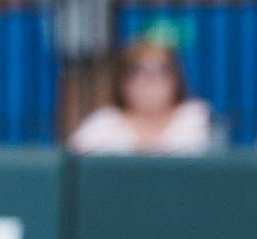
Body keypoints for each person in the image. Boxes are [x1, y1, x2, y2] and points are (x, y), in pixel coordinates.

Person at [68, 36, 212, 155]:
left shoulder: (198, 120)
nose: (150, 82)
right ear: (122, 82)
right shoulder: (102, 124)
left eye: (161, 72)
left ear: (176, 80)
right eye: (137, 73)